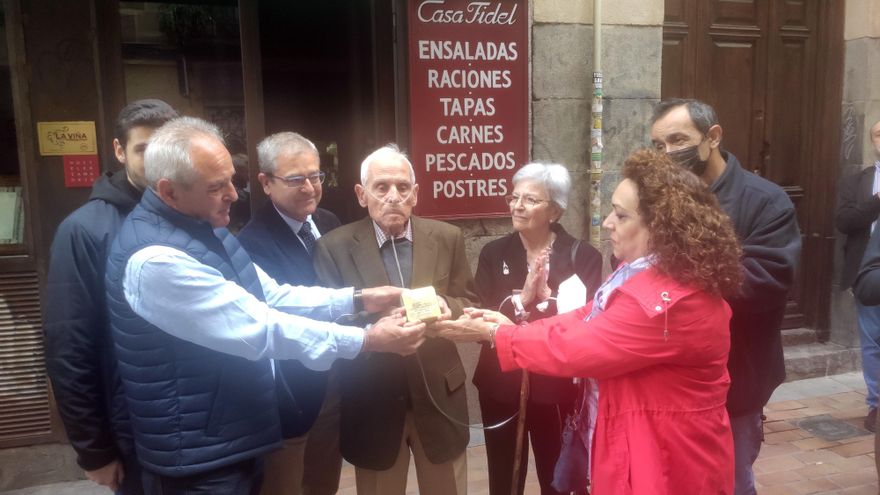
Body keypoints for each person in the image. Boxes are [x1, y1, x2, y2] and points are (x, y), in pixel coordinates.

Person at [104, 117, 425, 494]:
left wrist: (358, 298)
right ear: (169, 192)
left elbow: (272, 294)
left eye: (231, 179)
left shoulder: (206, 229)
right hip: (196, 457)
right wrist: (368, 339)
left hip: (227, 435)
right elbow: (262, 327)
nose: (233, 194)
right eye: (217, 186)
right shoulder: (157, 260)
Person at [436, 149, 742, 494]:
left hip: (664, 456)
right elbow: (585, 318)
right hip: (642, 439)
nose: (608, 222)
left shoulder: (668, 301)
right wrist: (508, 326)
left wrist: (498, 333)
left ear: (660, 227)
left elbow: (580, 345)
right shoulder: (641, 275)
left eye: (621, 215)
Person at [650, 98, 801, 495]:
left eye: (678, 140)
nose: (667, 153)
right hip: (669, 378)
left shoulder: (765, 201)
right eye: (658, 145)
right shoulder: (658, 199)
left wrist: (679, 278)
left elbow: (766, 280)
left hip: (736, 381)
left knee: (728, 481)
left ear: (712, 137)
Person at [313, 145, 477, 495]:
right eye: (381, 187)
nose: (393, 197)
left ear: (416, 194)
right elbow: (328, 321)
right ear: (361, 194)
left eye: (403, 188)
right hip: (372, 398)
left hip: (439, 394)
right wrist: (373, 329)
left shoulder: (447, 238)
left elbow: (470, 301)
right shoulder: (334, 247)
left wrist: (449, 306)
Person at [42, 98, 178, 494]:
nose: (155, 161)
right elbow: (69, 346)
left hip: (195, 426)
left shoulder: (190, 212)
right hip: (134, 429)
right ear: (119, 151)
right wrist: (94, 450)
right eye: (142, 149)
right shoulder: (84, 230)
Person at [472, 162, 602, 495]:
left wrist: (548, 299)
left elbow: (585, 326)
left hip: (555, 389)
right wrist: (522, 299)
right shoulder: (493, 252)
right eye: (514, 197)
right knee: (503, 478)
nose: (517, 206)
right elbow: (481, 319)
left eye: (530, 200)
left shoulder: (582, 256)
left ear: (555, 211)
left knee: (558, 476)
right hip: (499, 383)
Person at [237, 131, 343, 495]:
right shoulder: (251, 244)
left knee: (324, 480)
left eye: (316, 176)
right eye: (296, 179)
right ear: (265, 183)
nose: (310, 187)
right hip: (290, 392)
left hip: (334, 380)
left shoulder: (329, 222)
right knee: (286, 484)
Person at [836, 118, 880, 432]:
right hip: (869, 275)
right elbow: (845, 220)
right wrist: (877, 202)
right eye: (879, 133)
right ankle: (877, 405)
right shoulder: (857, 181)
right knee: (872, 342)